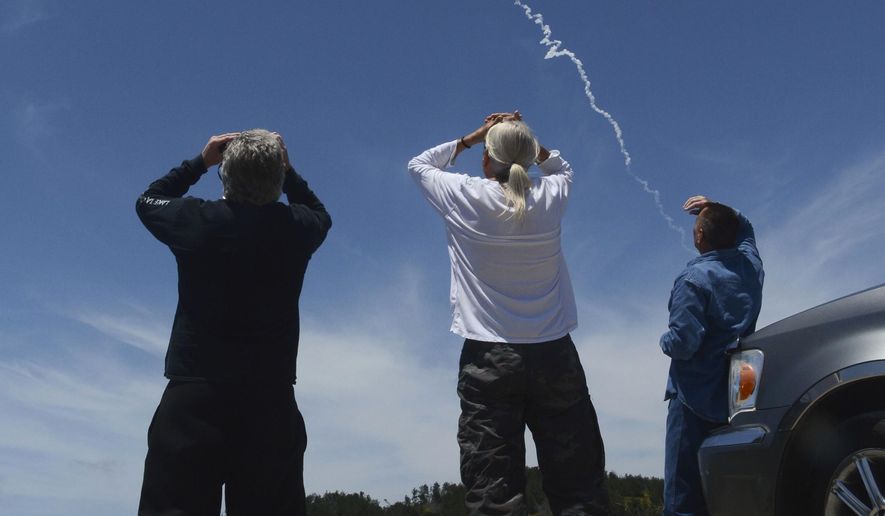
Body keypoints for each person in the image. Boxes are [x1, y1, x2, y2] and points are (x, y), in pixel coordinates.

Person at [408, 112, 610, 516]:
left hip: (489, 357)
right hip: (555, 353)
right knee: (579, 484)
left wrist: (474, 136)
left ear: (486, 159)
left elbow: (419, 165)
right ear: (529, 157)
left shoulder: (464, 195)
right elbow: (562, 166)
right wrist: (525, 139)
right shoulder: (551, 196)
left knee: (492, 486)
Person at [135, 129, 331, 515]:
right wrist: (288, 170)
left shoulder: (198, 221)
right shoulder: (296, 228)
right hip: (270, 399)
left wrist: (199, 161)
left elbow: (148, 201)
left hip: (194, 396)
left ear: (225, 175)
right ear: (277, 178)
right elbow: (321, 213)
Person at [659, 196, 764, 516]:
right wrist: (716, 205)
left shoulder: (693, 280)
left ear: (700, 236)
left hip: (693, 397)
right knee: (727, 489)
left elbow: (683, 343)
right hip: (738, 391)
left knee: (682, 495)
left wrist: (663, 341)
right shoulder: (751, 267)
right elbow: (746, 228)